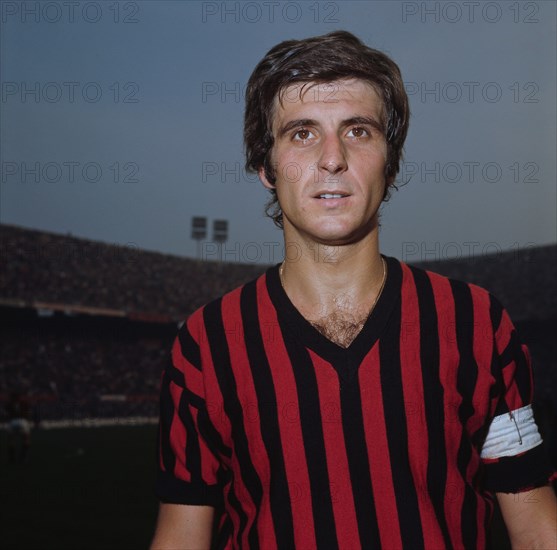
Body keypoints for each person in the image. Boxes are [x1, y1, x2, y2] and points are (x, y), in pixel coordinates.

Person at [151, 31, 556, 549]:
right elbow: (182, 535)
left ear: (391, 163)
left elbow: (536, 528)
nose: (332, 158)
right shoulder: (206, 344)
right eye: (302, 134)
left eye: (358, 131)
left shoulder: (476, 323)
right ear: (265, 168)